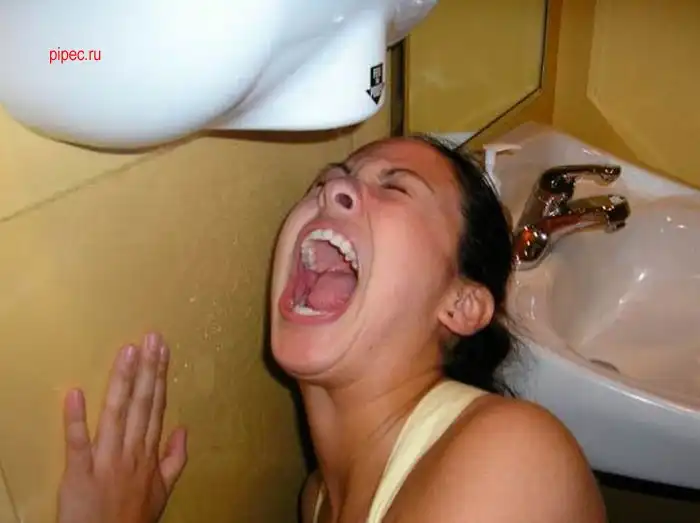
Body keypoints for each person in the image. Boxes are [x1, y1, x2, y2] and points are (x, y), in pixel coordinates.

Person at [56, 136, 606, 523]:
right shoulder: (318, 500)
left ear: (460, 305)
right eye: (328, 180)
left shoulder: (510, 457)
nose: (333, 190)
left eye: (397, 188)